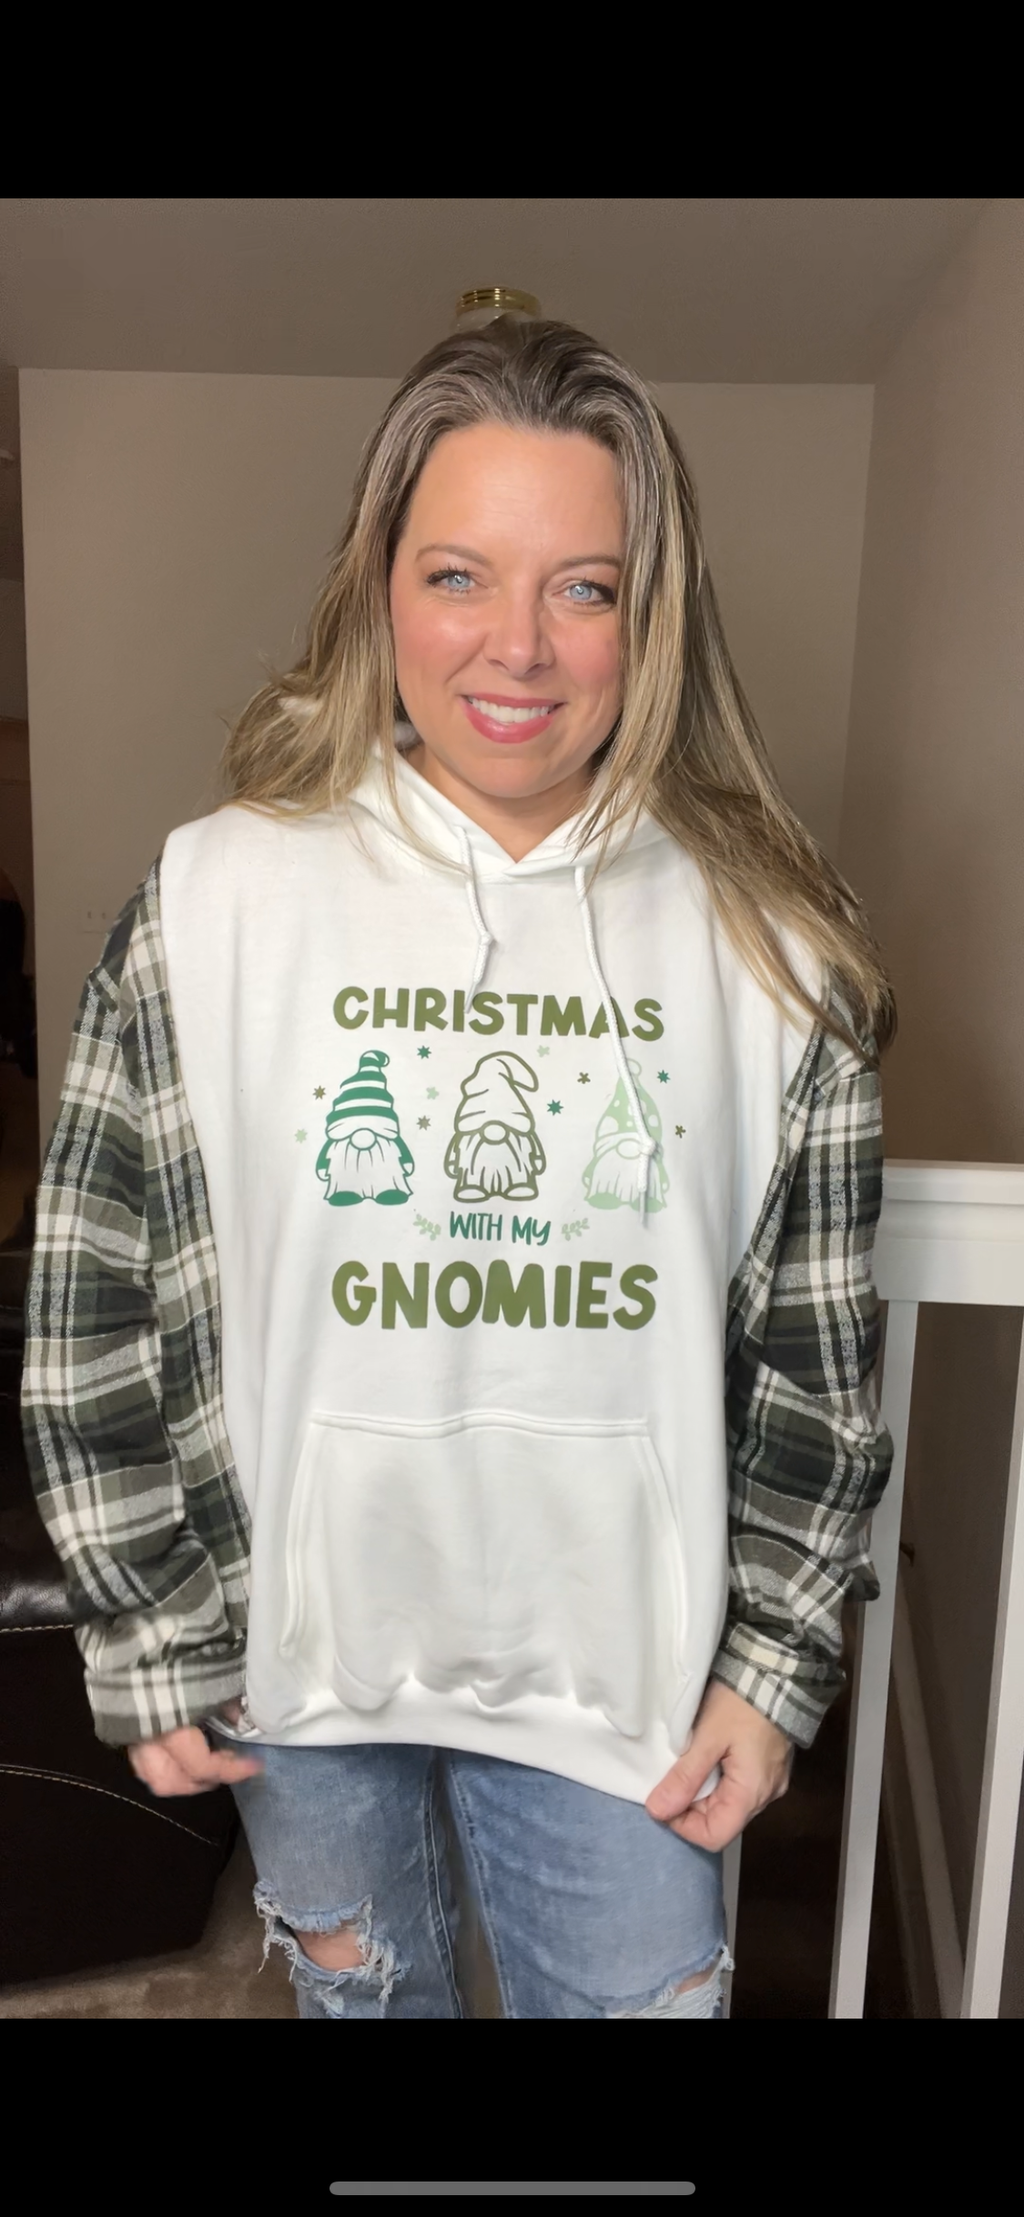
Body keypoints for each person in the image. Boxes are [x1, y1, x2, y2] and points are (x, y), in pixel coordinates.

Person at [21, 316, 895, 2020]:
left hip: (630, 1693)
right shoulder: (209, 904)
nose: (519, 647)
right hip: (299, 1675)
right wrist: (149, 1625)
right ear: (379, 589)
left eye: (587, 587)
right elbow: (89, 1300)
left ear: (654, 614)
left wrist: (777, 1664)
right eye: (457, 576)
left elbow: (819, 1370)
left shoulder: (782, 948)